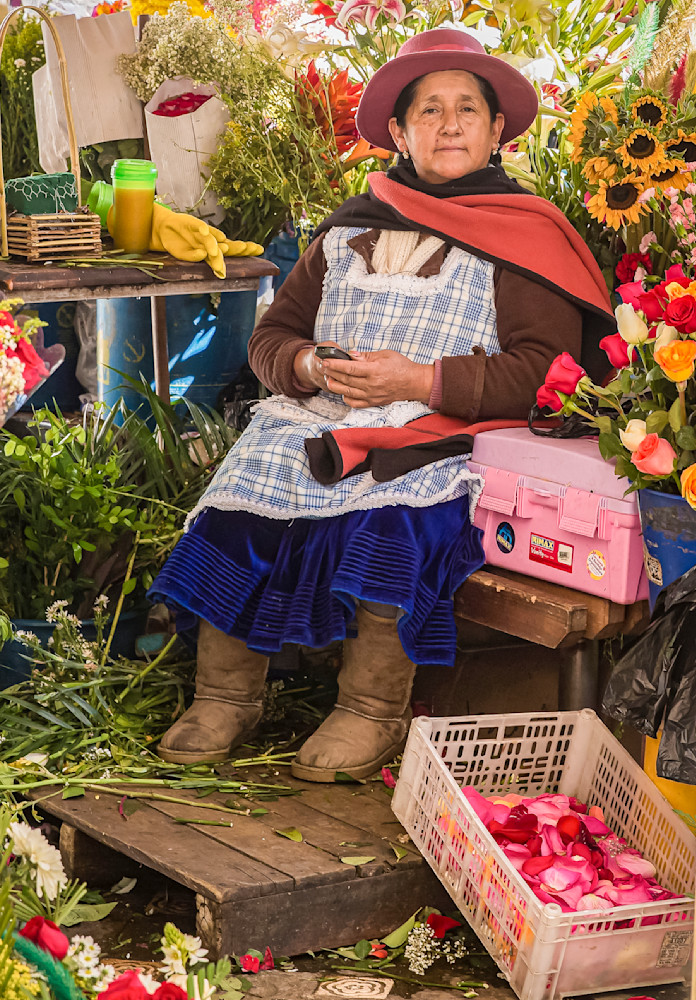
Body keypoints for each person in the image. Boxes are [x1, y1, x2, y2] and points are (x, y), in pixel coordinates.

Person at [148, 29, 616, 781]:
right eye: (429, 110)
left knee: (394, 523)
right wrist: (305, 363)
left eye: (469, 108)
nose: (451, 123)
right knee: (238, 500)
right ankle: (226, 694)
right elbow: (273, 336)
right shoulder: (350, 225)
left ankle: (370, 710)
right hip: (325, 417)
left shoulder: (524, 236)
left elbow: (546, 371)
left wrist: (422, 382)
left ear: (498, 131)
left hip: (445, 433)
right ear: (399, 132)